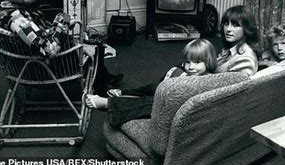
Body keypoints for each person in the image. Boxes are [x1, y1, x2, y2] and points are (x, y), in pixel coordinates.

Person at [0, 0, 122, 94]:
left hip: (24, 64)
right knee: (96, 47)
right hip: (42, 69)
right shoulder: (16, 18)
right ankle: (102, 87)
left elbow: (37, 36)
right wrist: (62, 20)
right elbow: (49, 49)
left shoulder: (0, 9)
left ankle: (106, 79)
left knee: (85, 44)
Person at [84, 38, 217, 126]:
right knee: (152, 87)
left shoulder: (207, 81)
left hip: (171, 105)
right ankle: (124, 92)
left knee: (150, 102)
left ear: (209, 61)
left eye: (197, 62)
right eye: (188, 62)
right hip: (167, 91)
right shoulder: (191, 72)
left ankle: (107, 103)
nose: (191, 67)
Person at [215, 5, 259, 76]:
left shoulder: (245, 59)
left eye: (235, 25)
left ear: (246, 28)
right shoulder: (231, 50)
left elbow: (233, 86)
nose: (228, 29)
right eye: (226, 24)